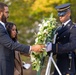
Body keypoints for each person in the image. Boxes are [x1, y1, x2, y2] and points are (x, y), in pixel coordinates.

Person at [0, 2, 44, 75]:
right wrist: (32, 48)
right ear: (0, 12)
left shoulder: (3, 26)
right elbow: (11, 45)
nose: (8, 15)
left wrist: (31, 52)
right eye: (6, 12)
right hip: (3, 67)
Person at [46, 3, 76, 75]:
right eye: (59, 14)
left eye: (62, 14)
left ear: (68, 14)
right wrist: (46, 48)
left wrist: (54, 47)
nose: (60, 16)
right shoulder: (58, 29)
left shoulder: (73, 28)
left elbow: (73, 45)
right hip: (58, 62)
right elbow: (54, 48)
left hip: (68, 63)